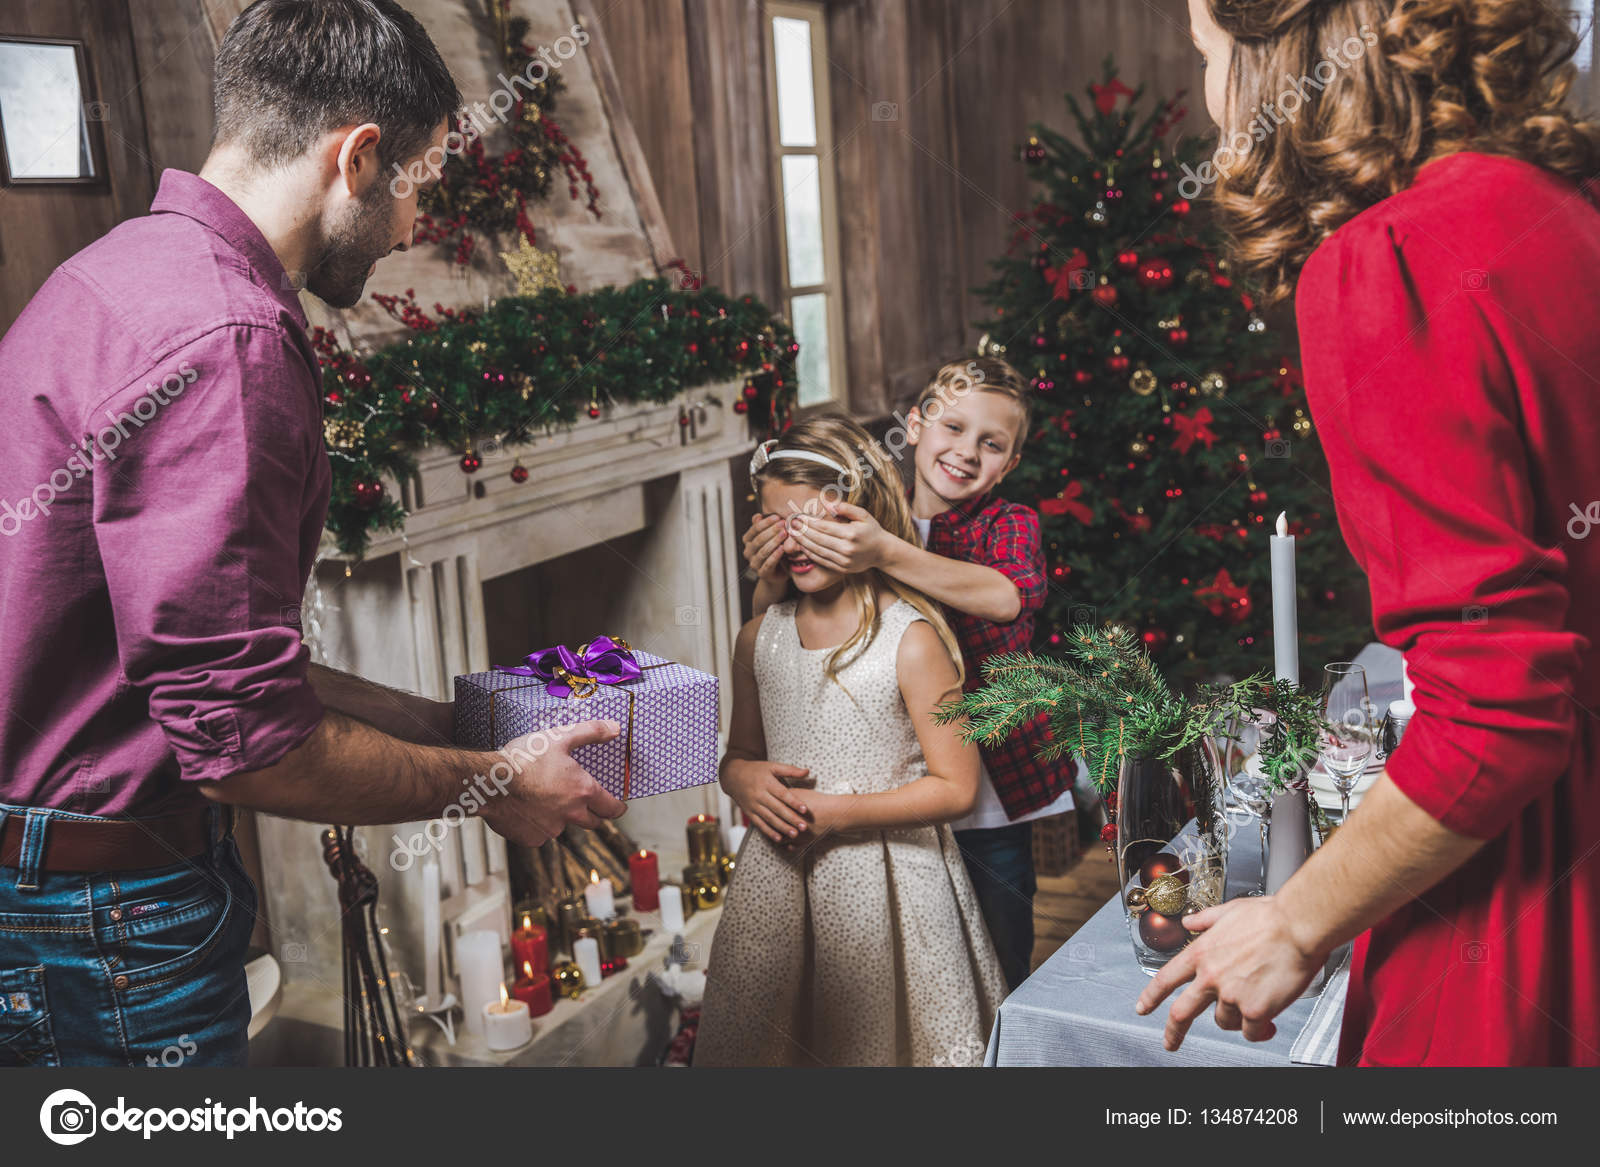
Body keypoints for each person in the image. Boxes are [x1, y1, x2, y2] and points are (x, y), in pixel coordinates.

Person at [0, 0, 621, 1068]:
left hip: (53, 883)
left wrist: (438, 724)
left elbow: (199, 665)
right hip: (105, 913)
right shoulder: (230, 336)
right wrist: (494, 784)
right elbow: (245, 746)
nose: (413, 224)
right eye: (419, 184)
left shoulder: (116, 272)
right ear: (360, 157)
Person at [1138, 0, 1600, 1066]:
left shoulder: (1387, 258)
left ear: (1287, 55)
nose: (1210, 96)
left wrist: (1295, 919)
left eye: (1208, 56)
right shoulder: (1562, 210)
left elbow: (1497, 717)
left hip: (1529, 898)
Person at [738, 358, 1069, 991]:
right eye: (952, 427)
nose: (966, 452)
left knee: (998, 960)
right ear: (915, 426)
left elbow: (1005, 597)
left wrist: (887, 552)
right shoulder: (862, 507)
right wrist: (772, 575)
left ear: (1010, 464)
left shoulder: (1007, 525)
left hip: (985, 798)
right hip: (884, 782)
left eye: (990, 443)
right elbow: (780, 635)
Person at [698, 416, 1006, 1066]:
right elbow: (738, 756)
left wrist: (835, 814)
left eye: (819, 520)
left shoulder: (911, 640)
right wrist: (743, 780)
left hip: (894, 890)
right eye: (777, 523)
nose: (798, 540)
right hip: (778, 884)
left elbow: (958, 784)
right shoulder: (761, 637)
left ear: (864, 521)